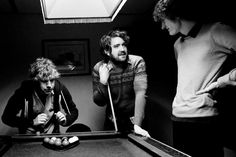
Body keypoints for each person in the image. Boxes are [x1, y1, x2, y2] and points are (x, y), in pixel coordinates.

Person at [153, 0, 236, 157]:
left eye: (164, 21)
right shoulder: (177, 44)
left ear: (176, 15)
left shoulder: (216, 31)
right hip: (178, 118)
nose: (163, 27)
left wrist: (228, 78)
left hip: (204, 121)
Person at [92, 30, 150, 137]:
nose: (122, 49)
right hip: (113, 122)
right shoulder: (98, 68)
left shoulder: (137, 62)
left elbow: (141, 92)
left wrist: (137, 125)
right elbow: (99, 102)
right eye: (117, 46)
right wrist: (103, 81)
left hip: (136, 120)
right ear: (107, 51)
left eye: (124, 45)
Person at [2, 57, 79, 134]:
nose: (49, 85)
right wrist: (32, 122)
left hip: (52, 136)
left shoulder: (59, 88)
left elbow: (73, 111)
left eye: (52, 80)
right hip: (28, 137)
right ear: (36, 80)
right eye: (44, 81)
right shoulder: (24, 91)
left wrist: (65, 120)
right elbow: (6, 118)